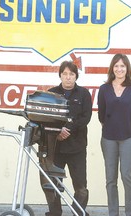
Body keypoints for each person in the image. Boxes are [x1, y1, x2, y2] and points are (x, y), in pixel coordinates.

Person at [40, 60, 92, 216]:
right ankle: (55, 212)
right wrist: (58, 131)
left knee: (81, 186)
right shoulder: (51, 93)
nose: (68, 77)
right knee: (53, 184)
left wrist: (68, 128)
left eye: (71, 74)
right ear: (60, 75)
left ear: (76, 76)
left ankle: (78, 212)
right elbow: (45, 117)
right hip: (56, 147)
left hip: (77, 147)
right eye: (65, 74)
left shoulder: (84, 94)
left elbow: (86, 117)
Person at [97, 54, 131, 216]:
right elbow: (101, 115)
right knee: (111, 180)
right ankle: (113, 213)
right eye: (116, 66)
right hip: (108, 139)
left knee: (126, 175)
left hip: (128, 138)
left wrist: (130, 128)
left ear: (127, 68)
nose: (119, 69)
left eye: (122, 66)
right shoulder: (104, 89)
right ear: (112, 68)